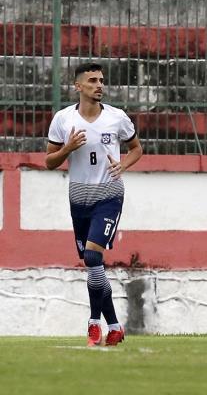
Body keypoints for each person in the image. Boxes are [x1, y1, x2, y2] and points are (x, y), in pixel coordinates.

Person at [45, 62, 143, 347]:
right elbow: (49, 162)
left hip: (109, 195)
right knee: (94, 264)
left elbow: (136, 148)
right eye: (92, 80)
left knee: (92, 258)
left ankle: (93, 323)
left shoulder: (116, 117)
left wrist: (122, 165)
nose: (99, 85)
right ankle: (114, 325)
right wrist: (67, 149)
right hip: (79, 198)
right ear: (78, 86)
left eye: (101, 80)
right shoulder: (63, 119)